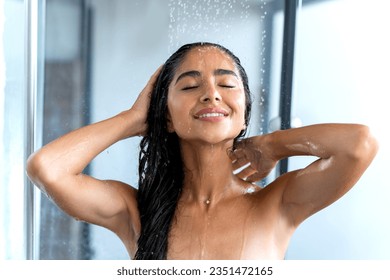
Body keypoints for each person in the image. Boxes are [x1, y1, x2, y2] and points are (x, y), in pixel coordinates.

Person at [26, 42, 378, 260]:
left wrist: (273, 144)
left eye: (227, 84)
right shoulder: (135, 212)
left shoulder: (276, 204)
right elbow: (47, 168)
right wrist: (133, 119)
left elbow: (359, 144)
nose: (211, 94)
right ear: (165, 116)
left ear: (242, 114)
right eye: (191, 85)